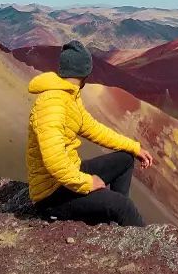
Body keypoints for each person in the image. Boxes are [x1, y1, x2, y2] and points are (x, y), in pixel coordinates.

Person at [26, 39, 154, 227]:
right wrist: (86, 182)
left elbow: (94, 129)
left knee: (126, 159)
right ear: (85, 72)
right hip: (52, 195)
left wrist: (134, 147)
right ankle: (143, 250)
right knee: (123, 206)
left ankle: (108, 219)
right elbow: (54, 162)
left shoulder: (69, 96)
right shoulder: (51, 104)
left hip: (69, 174)